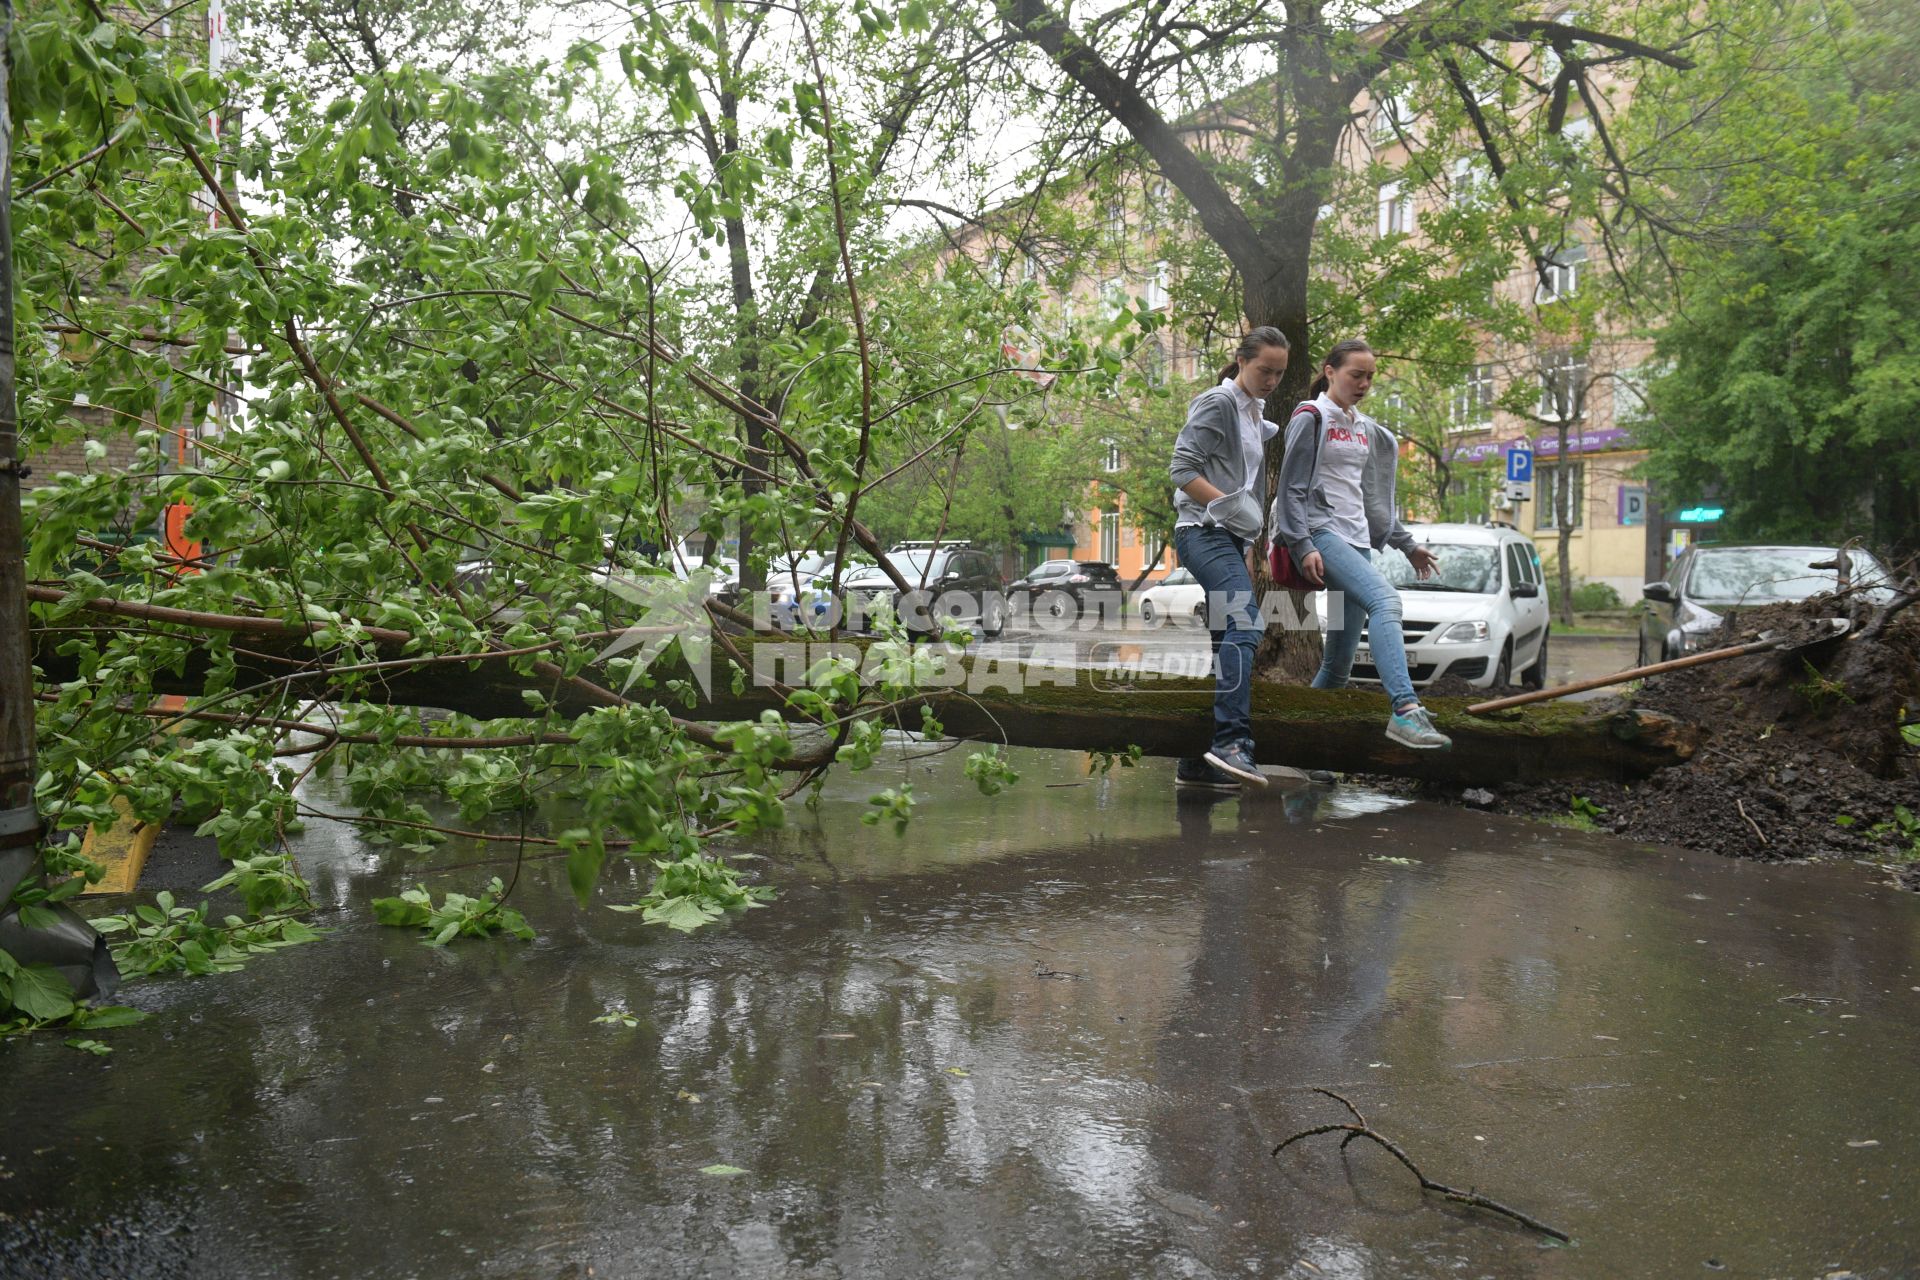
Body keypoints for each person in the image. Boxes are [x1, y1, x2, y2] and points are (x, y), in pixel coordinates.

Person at [1270, 339, 1452, 750]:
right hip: (1320, 533)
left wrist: (1407, 545)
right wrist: (1302, 545)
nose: (1365, 383)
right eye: (1357, 374)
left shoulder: (1364, 428)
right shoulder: (1310, 416)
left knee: (1337, 665)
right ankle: (1405, 710)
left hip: (1356, 542)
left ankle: (1298, 749)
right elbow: (1291, 489)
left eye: (1370, 376)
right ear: (1330, 371)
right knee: (1386, 602)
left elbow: (1369, 500)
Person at [1167, 327, 1291, 788]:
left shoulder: (1255, 413)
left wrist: (1251, 538)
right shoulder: (1217, 404)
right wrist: (1231, 508)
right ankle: (1233, 744)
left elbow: (1248, 481)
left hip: (1232, 541)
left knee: (1225, 646)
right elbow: (1182, 469)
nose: (1273, 380)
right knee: (1247, 624)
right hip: (1202, 532)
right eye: (1265, 370)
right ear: (1241, 361)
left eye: (1279, 373)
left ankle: (1197, 763)